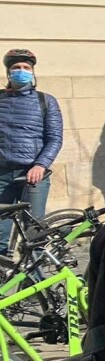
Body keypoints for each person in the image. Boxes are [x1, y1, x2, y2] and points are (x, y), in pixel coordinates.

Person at [0, 48, 63, 249]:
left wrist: (40, 165)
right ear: (9, 73)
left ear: (33, 72)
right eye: (16, 67)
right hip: (2, 175)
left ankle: (34, 279)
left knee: (33, 232)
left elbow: (54, 138)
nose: (21, 70)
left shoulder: (46, 101)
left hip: (33, 176)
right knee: (0, 232)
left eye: (26, 67)